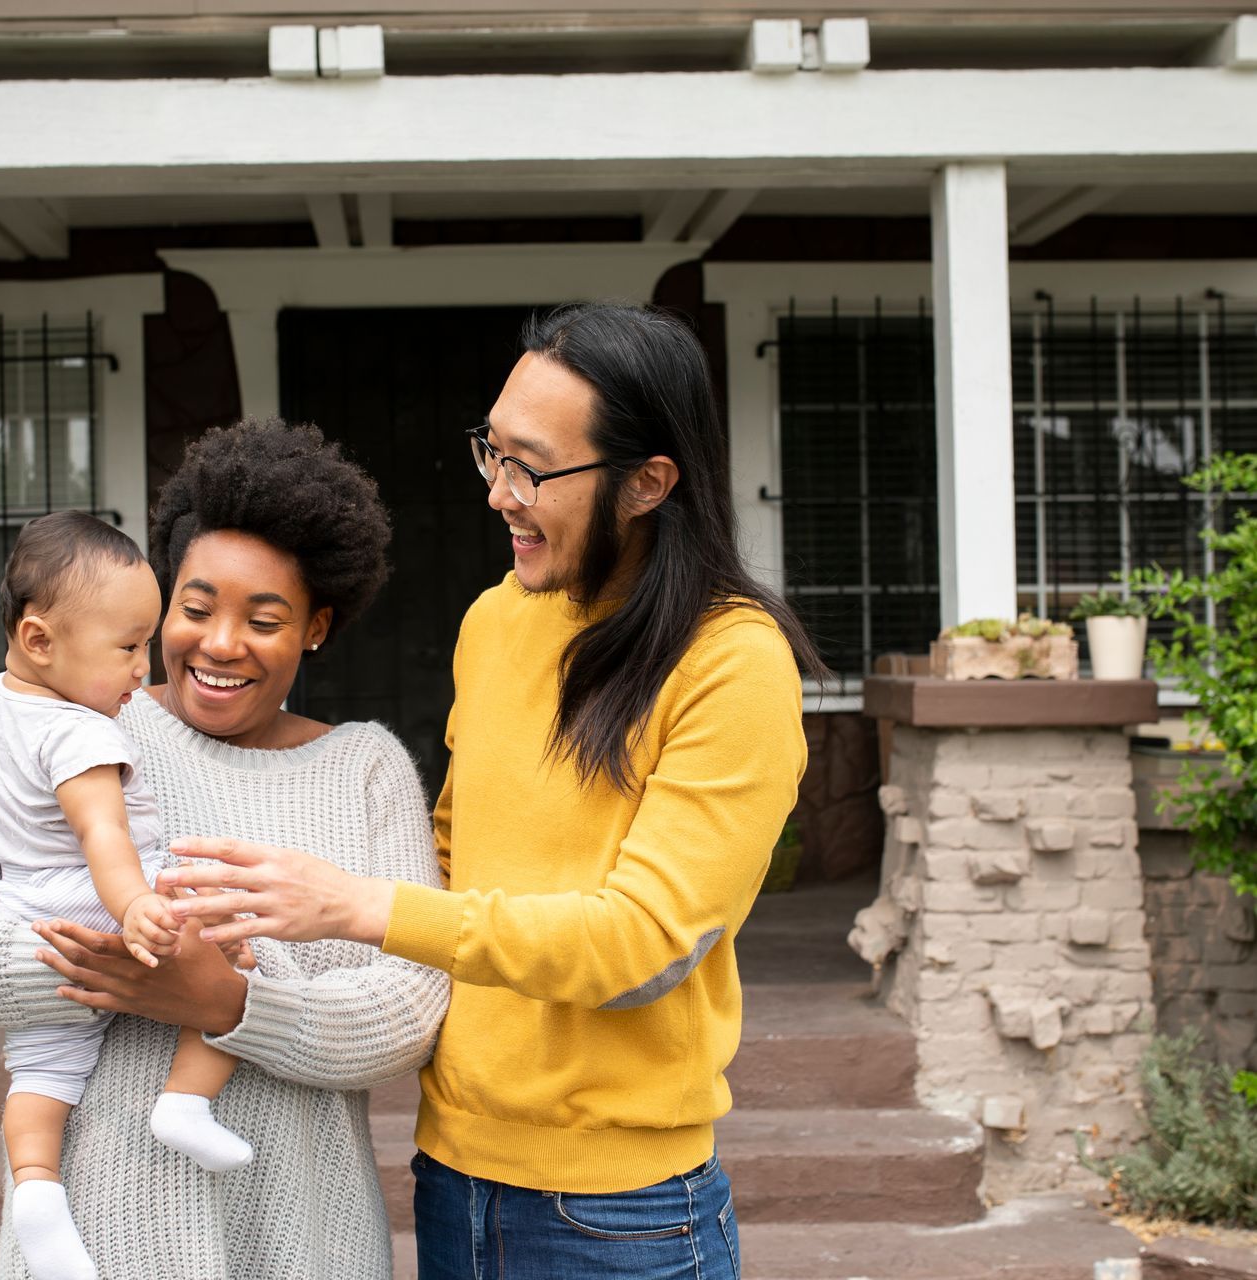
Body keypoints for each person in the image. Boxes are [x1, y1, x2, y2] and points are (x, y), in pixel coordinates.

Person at [154, 305, 826, 1280]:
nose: (499, 494)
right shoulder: (496, 621)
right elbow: (454, 856)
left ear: (649, 482)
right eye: (491, 453)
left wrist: (355, 904)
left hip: (620, 1212)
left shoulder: (732, 663)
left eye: (533, 467)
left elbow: (642, 946)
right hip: (454, 1172)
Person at [0, 419, 449, 1280]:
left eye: (265, 618)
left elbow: (412, 1011)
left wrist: (232, 1002)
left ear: (317, 627)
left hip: (305, 1238)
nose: (218, 644)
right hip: (107, 1236)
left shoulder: (365, 769)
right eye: (197, 607)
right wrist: (113, 965)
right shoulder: (79, 723)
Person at [0, 511, 254, 1280]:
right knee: (241, 954)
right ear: (41, 640)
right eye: (128, 647)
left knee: (40, 1075)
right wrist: (137, 905)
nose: (143, 667)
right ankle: (185, 1102)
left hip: (32, 921)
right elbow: (105, 835)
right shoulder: (80, 732)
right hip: (104, 902)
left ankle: (38, 1193)